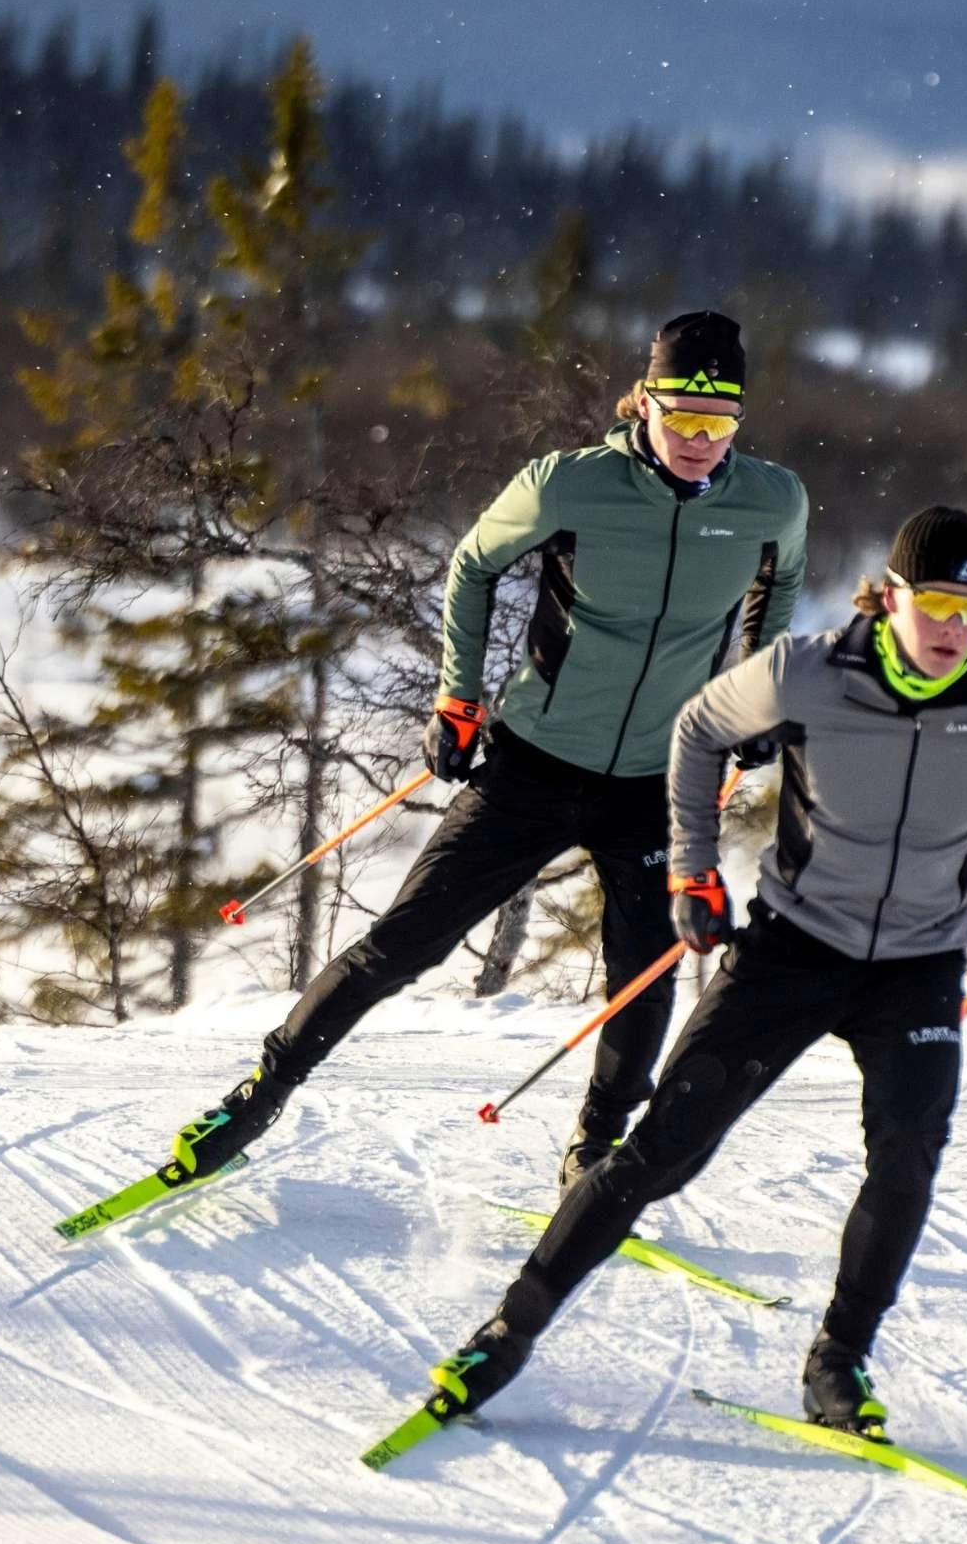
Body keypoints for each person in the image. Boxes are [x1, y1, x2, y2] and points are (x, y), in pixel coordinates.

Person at [398, 504, 967, 1442]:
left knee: (908, 1155)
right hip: (795, 946)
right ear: (890, 597)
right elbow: (695, 731)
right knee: (660, 1155)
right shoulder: (809, 671)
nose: (955, 626)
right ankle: (506, 1334)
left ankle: (839, 1358)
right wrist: (693, 867)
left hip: (918, 964)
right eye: (936, 602)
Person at [172, 310, 813, 1186]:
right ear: (644, 405)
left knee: (642, 974)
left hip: (658, 783)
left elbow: (778, 593)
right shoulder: (568, 485)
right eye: (681, 417)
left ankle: (596, 1144)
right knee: (403, 944)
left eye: (718, 423)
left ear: (739, 421)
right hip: (538, 760)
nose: (698, 440)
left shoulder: (771, 501)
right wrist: (457, 698)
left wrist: (755, 696)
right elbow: (473, 564)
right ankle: (260, 1092)